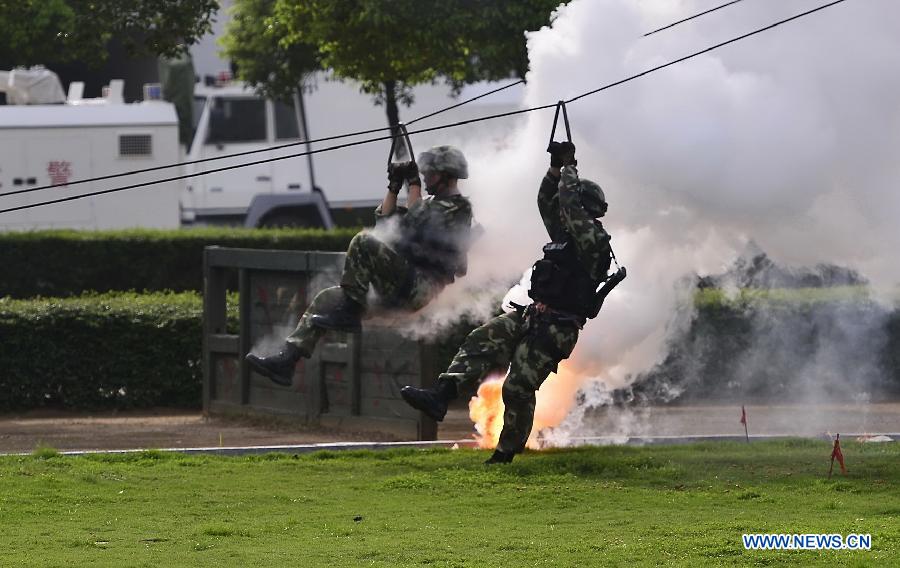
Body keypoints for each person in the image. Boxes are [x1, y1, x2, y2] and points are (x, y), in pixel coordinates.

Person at [400, 142, 626, 464]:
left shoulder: (594, 243)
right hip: (533, 315)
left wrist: (570, 166)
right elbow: (546, 203)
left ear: (585, 209)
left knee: (517, 387)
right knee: (479, 340)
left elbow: (569, 205)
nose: (561, 214)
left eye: (571, 209)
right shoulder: (567, 235)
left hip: (557, 330)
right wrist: (553, 169)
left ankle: (506, 453)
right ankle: (441, 396)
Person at [246, 145, 474, 385]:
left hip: (419, 286)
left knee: (363, 241)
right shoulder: (428, 204)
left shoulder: (458, 208)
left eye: (432, 173)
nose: (427, 177)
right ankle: (287, 361)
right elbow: (386, 224)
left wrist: (414, 183)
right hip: (398, 283)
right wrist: (394, 186)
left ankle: (350, 308)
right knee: (326, 299)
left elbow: (416, 224)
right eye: (425, 173)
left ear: (448, 177)